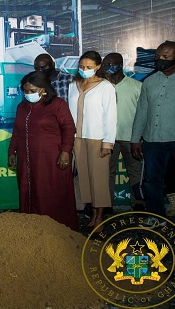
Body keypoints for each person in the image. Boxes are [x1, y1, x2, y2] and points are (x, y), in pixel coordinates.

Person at [131, 41, 175, 237]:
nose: (160, 59)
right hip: (153, 140)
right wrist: (135, 139)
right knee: (151, 182)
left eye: (166, 56)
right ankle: (156, 217)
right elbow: (142, 111)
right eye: (158, 56)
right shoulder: (150, 81)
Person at [8, 71, 78, 230]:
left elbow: (69, 128)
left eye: (32, 91)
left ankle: (56, 229)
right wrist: (12, 151)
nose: (28, 94)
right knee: (28, 190)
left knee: (50, 192)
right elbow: (17, 131)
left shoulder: (57, 104)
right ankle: (32, 229)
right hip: (26, 159)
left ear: (43, 89)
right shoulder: (22, 107)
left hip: (51, 158)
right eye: (25, 91)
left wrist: (66, 151)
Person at [67, 51, 117, 232]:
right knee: (86, 180)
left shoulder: (106, 87)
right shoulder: (74, 85)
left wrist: (107, 143)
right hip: (77, 138)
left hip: (98, 138)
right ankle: (92, 214)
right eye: (81, 67)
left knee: (99, 180)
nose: (84, 70)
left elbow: (111, 117)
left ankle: (100, 218)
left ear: (98, 67)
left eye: (88, 67)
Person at [102, 53, 144, 212]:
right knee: (107, 172)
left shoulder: (136, 86)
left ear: (120, 65)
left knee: (135, 171)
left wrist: (140, 137)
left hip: (131, 137)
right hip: (107, 138)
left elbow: (142, 113)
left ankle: (138, 203)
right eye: (105, 64)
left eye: (110, 64)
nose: (107, 67)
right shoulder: (102, 86)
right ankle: (106, 204)